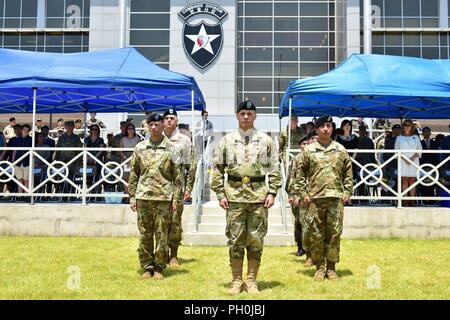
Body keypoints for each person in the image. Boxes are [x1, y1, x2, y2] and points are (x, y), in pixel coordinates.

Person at [210, 100, 281, 294]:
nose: (246, 117)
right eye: (243, 113)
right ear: (237, 116)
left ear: (255, 116)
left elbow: (274, 167)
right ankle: (236, 280)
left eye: (250, 113)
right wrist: (219, 193)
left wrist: (273, 191)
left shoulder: (265, 140)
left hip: (258, 196)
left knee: (256, 239)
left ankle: (251, 280)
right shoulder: (226, 141)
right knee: (235, 239)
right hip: (234, 196)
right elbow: (217, 168)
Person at [293, 115, 353, 281]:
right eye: (322, 126)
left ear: (332, 128)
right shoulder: (309, 151)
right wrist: (303, 194)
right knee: (316, 235)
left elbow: (348, 172)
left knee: (334, 234)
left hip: (335, 199)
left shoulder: (341, 150)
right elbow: (300, 174)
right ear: (317, 129)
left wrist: (347, 191)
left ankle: (332, 268)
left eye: (328, 125)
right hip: (315, 199)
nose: (325, 129)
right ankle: (320, 267)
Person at [128, 113, 182, 280]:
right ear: (147, 126)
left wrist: (176, 199)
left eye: (157, 124)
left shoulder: (172, 149)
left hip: (163, 198)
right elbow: (134, 174)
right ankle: (147, 266)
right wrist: (132, 197)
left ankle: (159, 266)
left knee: (161, 234)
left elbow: (178, 177)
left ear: (163, 126)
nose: (154, 127)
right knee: (144, 234)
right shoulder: (140, 147)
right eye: (151, 124)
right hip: (143, 196)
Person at [163, 108, 193, 267]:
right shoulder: (155, 138)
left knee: (174, 221)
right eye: (166, 118)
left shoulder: (184, 140)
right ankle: (161, 253)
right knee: (160, 222)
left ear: (176, 121)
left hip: (177, 187)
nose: (169, 120)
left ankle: (173, 254)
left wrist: (189, 188)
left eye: (172, 118)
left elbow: (191, 165)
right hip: (158, 187)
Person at [286, 134, 308, 257]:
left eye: (307, 143)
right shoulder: (296, 159)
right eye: (303, 144)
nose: (305, 146)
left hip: (310, 195)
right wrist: (292, 195)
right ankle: (300, 247)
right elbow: (291, 178)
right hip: (297, 196)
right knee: (299, 222)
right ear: (299, 146)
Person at [394, 119, 422, 207]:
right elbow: (396, 151)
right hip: (403, 161)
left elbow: (420, 149)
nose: (406, 127)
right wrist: (405, 158)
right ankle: (405, 200)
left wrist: (413, 158)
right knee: (404, 180)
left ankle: (412, 200)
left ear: (412, 127)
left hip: (414, 161)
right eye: (405, 125)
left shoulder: (416, 137)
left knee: (413, 180)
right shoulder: (399, 137)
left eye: (408, 125)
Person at [336, 119, 358, 205]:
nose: (347, 126)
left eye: (349, 125)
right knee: (341, 180)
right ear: (342, 127)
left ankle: (349, 199)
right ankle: (343, 199)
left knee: (350, 180)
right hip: (341, 161)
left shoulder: (355, 137)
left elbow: (357, 149)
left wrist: (351, 159)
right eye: (345, 125)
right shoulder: (338, 138)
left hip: (352, 161)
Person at [12, 124, 33, 198]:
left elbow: (33, 152)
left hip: (27, 162)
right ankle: (20, 196)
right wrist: (13, 162)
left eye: (27, 130)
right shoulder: (17, 139)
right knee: (19, 179)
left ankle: (26, 196)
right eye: (24, 130)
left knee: (26, 180)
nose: (25, 132)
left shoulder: (31, 140)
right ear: (21, 130)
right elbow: (14, 151)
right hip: (18, 162)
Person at [120, 123, 141, 197]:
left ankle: (133, 195)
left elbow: (139, 150)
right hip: (125, 158)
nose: (131, 130)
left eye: (132, 128)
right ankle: (126, 196)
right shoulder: (123, 139)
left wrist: (133, 159)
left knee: (134, 177)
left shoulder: (137, 138)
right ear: (127, 130)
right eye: (129, 128)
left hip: (134, 158)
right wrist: (125, 159)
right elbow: (121, 150)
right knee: (125, 178)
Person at [419, 127, 439, 204]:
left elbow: (437, 155)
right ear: (422, 133)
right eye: (425, 132)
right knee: (422, 183)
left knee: (432, 183)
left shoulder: (435, 143)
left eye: (428, 132)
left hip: (433, 166)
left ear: (430, 133)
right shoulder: (420, 143)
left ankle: (431, 200)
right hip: (422, 166)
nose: (427, 133)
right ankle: (423, 200)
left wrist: (436, 166)